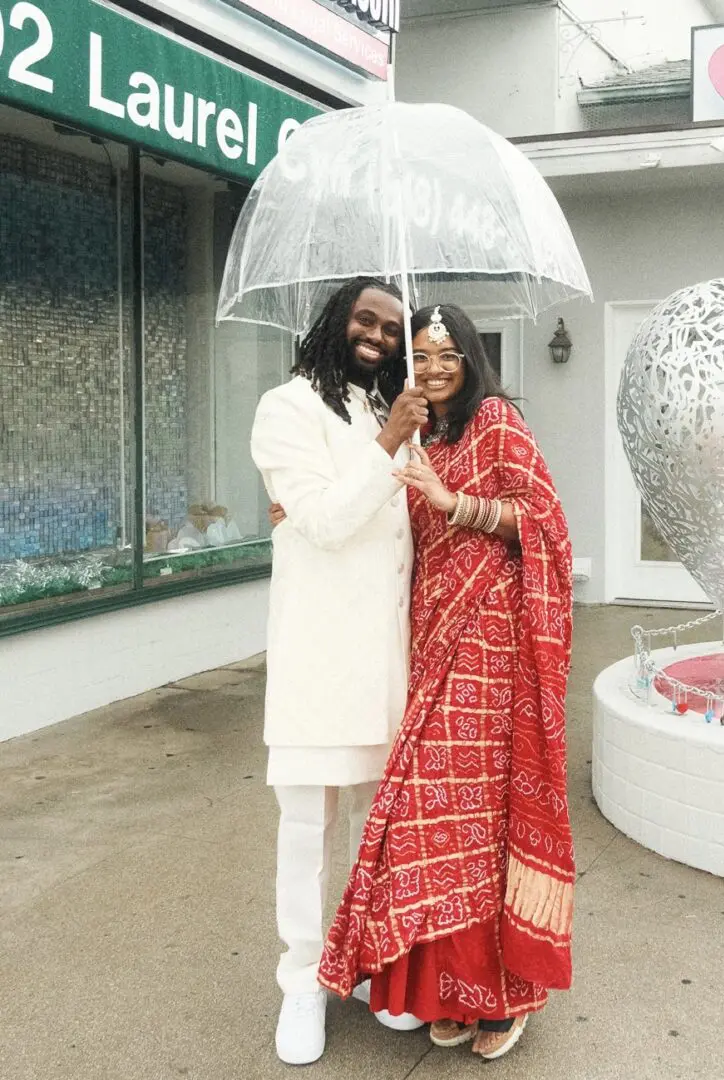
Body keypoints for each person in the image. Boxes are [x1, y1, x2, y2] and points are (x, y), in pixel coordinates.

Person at [314, 303, 577, 1060]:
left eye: (445, 356)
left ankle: (502, 995)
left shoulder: (496, 421)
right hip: (427, 642)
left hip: (490, 643)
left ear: (469, 360)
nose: (431, 369)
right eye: (419, 358)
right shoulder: (416, 433)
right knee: (437, 816)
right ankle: (443, 989)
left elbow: (547, 524)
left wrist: (453, 502)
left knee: (478, 813)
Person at [250, 277, 429, 1066]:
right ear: (335, 321)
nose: (380, 337)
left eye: (393, 329)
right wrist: (388, 442)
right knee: (306, 829)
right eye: (367, 319)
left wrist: (399, 437)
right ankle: (300, 981)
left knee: (378, 828)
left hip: (389, 661)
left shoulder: (382, 409)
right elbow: (320, 520)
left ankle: (363, 966)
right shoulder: (285, 408)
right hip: (320, 660)